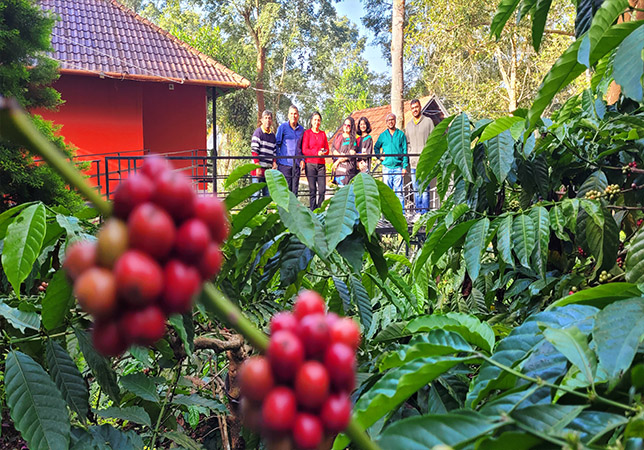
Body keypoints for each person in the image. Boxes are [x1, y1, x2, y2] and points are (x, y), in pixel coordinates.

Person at [405, 99, 434, 216]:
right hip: (413, 163)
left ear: (420, 107)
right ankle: (418, 212)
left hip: (425, 162)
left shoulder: (428, 122)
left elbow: (434, 140)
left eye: (416, 107)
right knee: (416, 189)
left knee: (425, 189)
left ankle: (425, 213)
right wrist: (409, 154)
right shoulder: (408, 125)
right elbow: (407, 143)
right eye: (412, 108)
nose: (415, 110)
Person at [374, 113, 408, 209]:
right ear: (386, 122)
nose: (390, 122)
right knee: (387, 194)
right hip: (386, 168)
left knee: (399, 193)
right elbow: (376, 147)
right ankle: (387, 216)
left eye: (392, 119)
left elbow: (405, 151)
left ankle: (401, 214)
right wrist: (380, 157)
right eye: (388, 120)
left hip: (398, 167)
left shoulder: (400, 134)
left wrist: (404, 166)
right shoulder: (383, 135)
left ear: (395, 121)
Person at [302, 111, 329, 210]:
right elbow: (305, 150)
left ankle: (320, 209)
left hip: (321, 164)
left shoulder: (322, 134)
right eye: (315, 120)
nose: (317, 122)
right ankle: (313, 211)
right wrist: (316, 152)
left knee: (322, 190)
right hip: (310, 164)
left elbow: (327, 149)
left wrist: (323, 152)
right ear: (311, 121)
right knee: (312, 190)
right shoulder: (307, 133)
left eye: (318, 120)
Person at [275, 105, 305, 194]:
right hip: (284, 165)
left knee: (294, 192)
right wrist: (276, 161)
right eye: (291, 114)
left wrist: (302, 160)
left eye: (295, 114)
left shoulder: (302, 130)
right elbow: (277, 144)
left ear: (298, 115)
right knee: (284, 192)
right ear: (288, 115)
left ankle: (293, 208)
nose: (293, 116)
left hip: (296, 166)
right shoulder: (283, 127)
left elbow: (302, 147)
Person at [250, 110, 276, 198]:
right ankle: (255, 212)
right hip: (258, 169)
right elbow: (254, 151)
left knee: (267, 195)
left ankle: (265, 212)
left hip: (268, 171)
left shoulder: (272, 136)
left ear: (271, 121)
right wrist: (257, 167)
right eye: (266, 118)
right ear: (262, 120)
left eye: (269, 118)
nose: (267, 120)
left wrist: (274, 163)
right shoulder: (258, 133)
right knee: (256, 194)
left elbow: (274, 151)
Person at [331, 117, 357, 186]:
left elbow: (351, 154)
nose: (346, 127)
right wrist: (339, 158)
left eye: (348, 125)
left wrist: (338, 161)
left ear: (351, 127)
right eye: (344, 125)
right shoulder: (338, 136)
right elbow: (333, 149)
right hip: (338, 169)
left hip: (347, 170)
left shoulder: (353, 140)